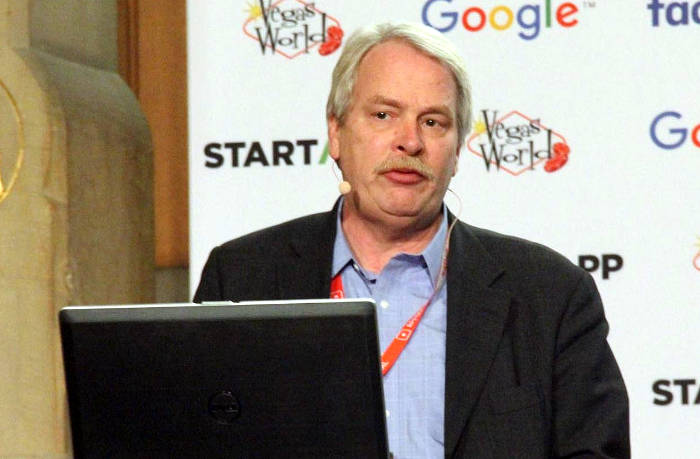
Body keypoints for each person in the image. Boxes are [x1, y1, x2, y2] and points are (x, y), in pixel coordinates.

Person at [194, 22, 630, 458]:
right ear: (336, 134)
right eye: (384, 115)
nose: (409, 142)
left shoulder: (550, 295)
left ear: (456, 151)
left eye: (433, 122)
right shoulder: (242, 278)